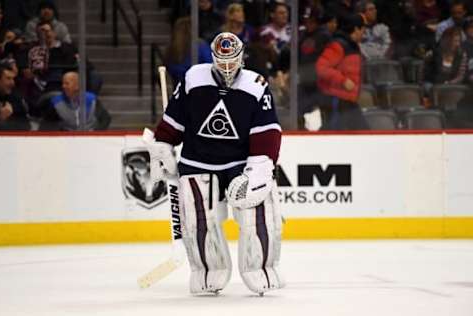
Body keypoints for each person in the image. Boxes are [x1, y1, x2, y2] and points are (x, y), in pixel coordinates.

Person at [149, 32, 284, 295]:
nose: (226, 68)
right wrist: (163, 145)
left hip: (240, 163)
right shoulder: (193, 79)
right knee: (200, 220)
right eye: (221, 62)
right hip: (198, 160)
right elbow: (174, 119)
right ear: (212, 58)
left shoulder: (256, 85)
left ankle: (261, 268)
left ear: (241, 57)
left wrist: (260, 169)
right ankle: (208, 269)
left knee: (258, 214)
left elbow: (267, 131)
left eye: (232, 62)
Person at [315, 14, 369, 130]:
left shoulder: (353, 46)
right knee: (336, 134)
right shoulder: (338, 45)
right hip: (336, 100)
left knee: (362, 134)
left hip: (348, 101)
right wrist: (342, 81)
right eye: (363, 30)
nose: (364, 34)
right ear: (356, 29)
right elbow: (321, 67)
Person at [40, 71, 110, 130]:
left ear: (77, 85)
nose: (63, 86)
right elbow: (48, 122)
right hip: (67, 138)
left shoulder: (91, 99)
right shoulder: (56, 101)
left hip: (90, 136)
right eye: (63, 83)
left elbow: (105, 119)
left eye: (67, 83)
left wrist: (95, 133)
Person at [0, 61, 30, 130]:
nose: (12, 82)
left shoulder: (16, 98)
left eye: (13, 79)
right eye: (8, 78)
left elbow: (26, 127)